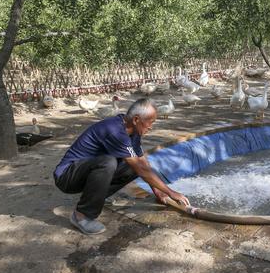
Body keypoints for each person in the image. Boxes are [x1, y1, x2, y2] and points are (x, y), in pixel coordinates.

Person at [53, 98, 190, 235]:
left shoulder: (133, 131)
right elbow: (141, 168)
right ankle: (81, 216)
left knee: (132, 167)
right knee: (109, 162)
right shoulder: (114, 131)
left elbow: (142, 163)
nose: (151, 126)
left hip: (85, 173)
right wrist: (171, 192)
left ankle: (94, 199)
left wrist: (158, 190)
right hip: (67, 177)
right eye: (150, 122)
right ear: (136, 120)